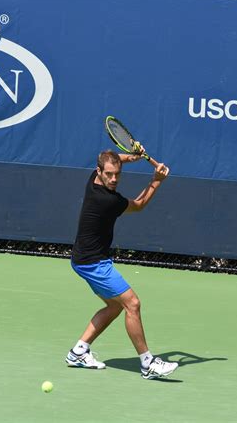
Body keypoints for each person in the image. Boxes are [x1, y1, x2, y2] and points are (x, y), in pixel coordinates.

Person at [66, 149, 178, 380]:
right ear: (100, 173)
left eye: (117, 173)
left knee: (115, 306)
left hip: (85, 259)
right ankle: (148, 363)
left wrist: (130, 157)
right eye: (109, 174)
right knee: (132, 304)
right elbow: (138, 205)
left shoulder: (93, 179)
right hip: (93, 263)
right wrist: (156, 181)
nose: (114, 179)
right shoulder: (108, 200)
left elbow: (113, 161)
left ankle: (78, 351)